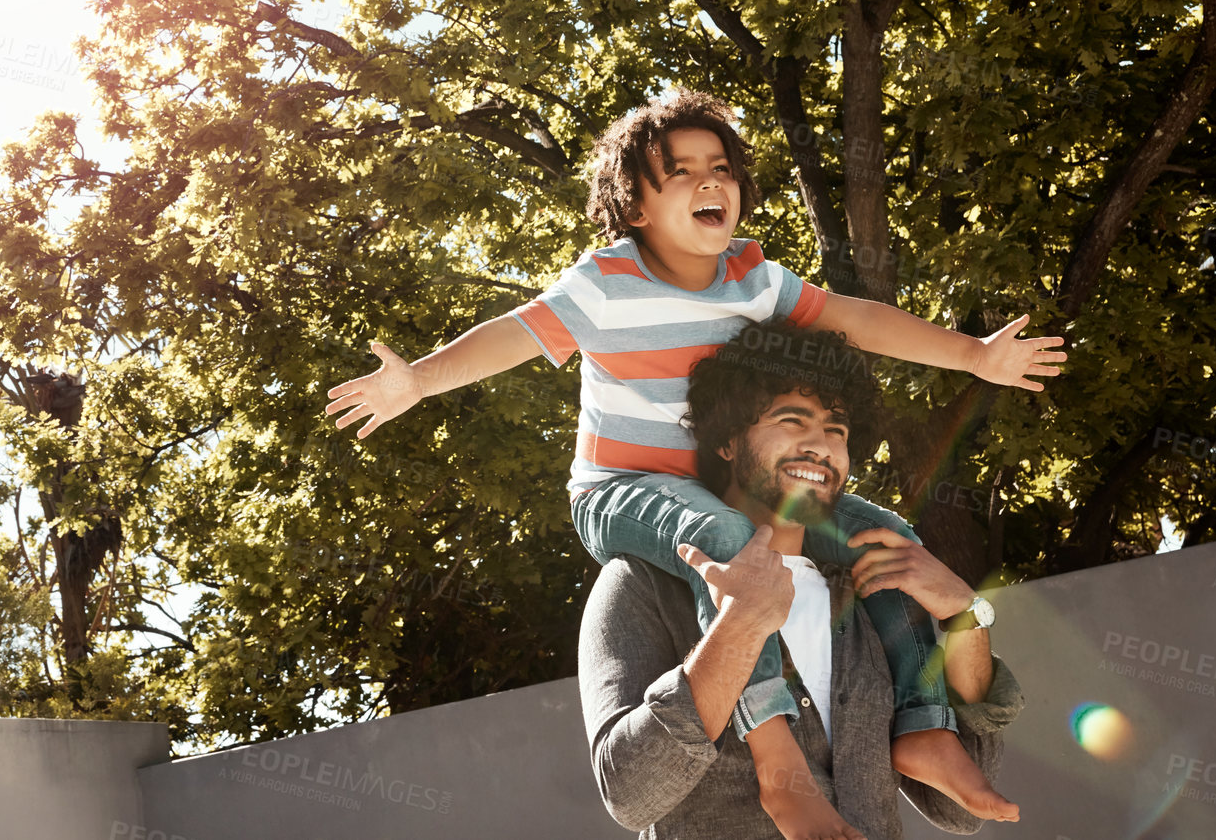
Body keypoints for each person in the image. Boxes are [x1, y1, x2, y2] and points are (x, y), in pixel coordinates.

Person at [326, 92, 1054, 839]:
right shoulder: (607, 282)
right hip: (623, 492)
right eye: (681, 172)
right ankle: (778, 763)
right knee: (734, 547)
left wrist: (976, 357)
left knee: (892, 542)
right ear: (633, 206)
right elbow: (514, 334)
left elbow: (854, 317)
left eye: (723, 168)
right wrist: (417, 379)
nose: (711, 182)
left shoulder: (753, 280)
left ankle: (925, 728)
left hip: (712, 498)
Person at [578, 321, 1023, 839]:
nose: (821, 446)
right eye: (793, 421)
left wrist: (967, 615)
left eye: (837, 430)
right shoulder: (640, 585)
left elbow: (963, 812)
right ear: (726, 441)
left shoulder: (871, 592)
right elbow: (630, 794)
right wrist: (738, 628)